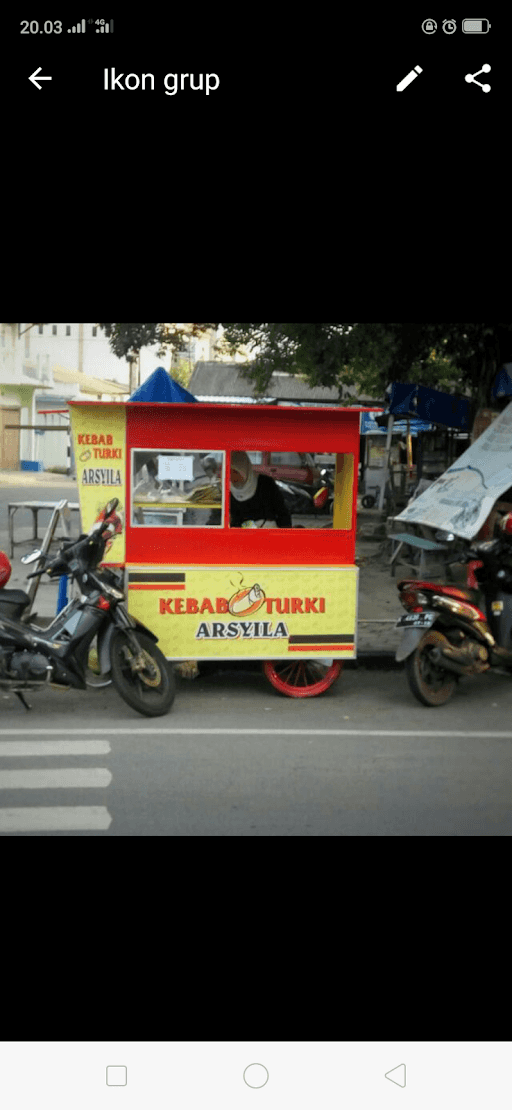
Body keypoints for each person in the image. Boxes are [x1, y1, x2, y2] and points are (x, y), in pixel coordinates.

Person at [229, 451, 292, 527]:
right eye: (229, 472)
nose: (232, 477)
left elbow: (283, 512)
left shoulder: (265, 483)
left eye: (235, 472)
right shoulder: (228, 489)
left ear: (244, 470)